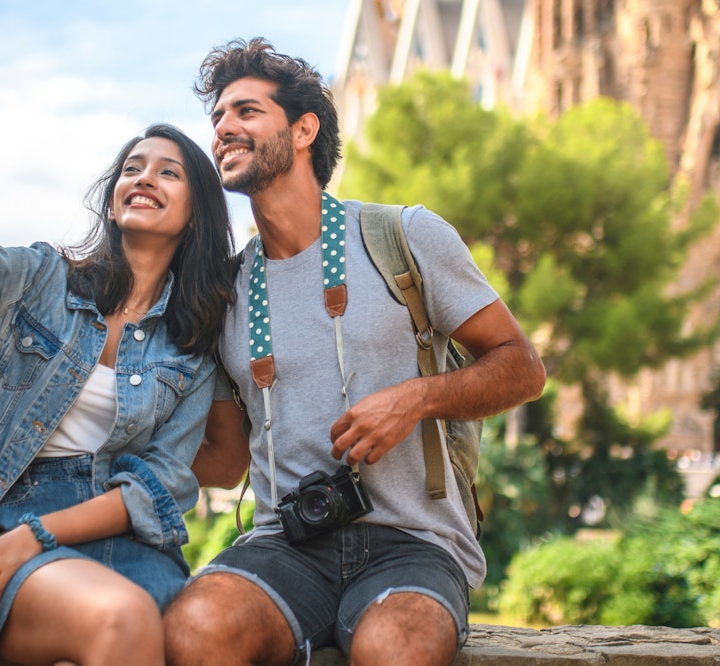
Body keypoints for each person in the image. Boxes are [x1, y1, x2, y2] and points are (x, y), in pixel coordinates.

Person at [165, 38, 546, 666]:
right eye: (218, 118)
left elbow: (522, 368)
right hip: (284, 543)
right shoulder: (226, 293)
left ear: (305, 128)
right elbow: (227, 460)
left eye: (246, 112)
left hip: (416, 543)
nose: (224, 128)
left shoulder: (405, 235)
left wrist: (418, 398)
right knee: (195, 628)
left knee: (395, 646)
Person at [0, 13, 235, 666]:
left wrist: (44, 534)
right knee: (123, 622)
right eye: (133, 167)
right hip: (5, 533)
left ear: (197, 213)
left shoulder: (193, 342)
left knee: (193, 637)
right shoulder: (41, 281)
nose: (145, 177)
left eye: (169, 172)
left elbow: (155, 487)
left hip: (128, 542)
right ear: (113, 196)